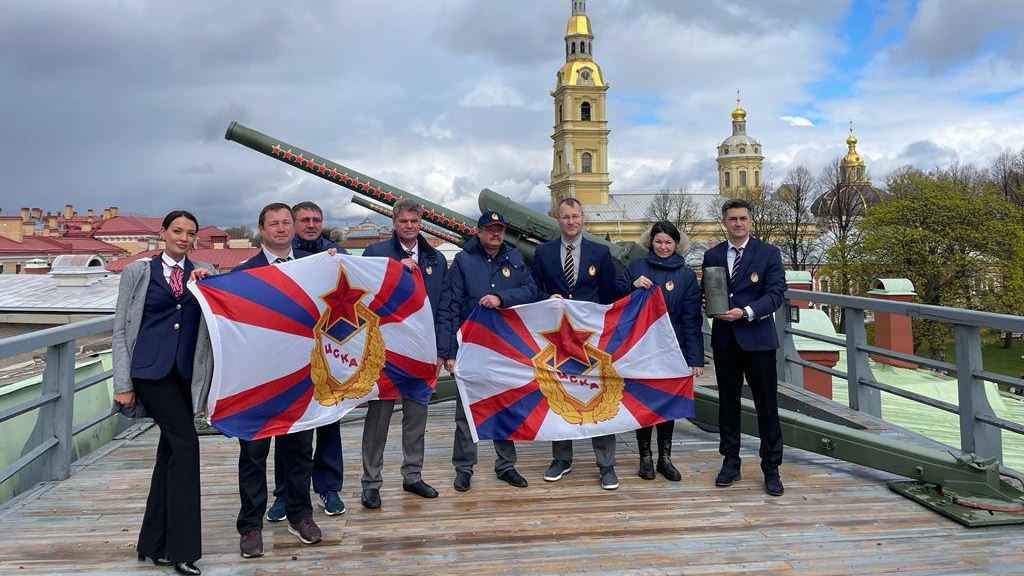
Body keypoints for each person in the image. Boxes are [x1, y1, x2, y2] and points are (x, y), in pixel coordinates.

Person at [112, 210, 212, 576]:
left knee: (170, 451)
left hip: (184, 374)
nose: (184, 238)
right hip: (149, 374)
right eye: (178, 231)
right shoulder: (138, 272)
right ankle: (183, 550)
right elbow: (121, 330)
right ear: (164, 233)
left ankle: (153, 542)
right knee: (187, 446)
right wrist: (122, 384)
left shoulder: (202, 272)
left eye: (190, 233)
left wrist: (208, 284)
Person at [233, 203, 322, 558]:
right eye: (274, 223)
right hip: (259, 379)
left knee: (300, 450)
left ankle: (300, 514)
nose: (282, 228)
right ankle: (251, 525)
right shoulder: (244, 273)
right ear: (261, 229)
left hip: (301, 376)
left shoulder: (313, 268)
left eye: (287, 222)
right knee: (253, 453)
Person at [437, 211, 537, 491]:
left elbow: (531, 291)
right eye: (490, 229)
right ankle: (464, 467)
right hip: (472, 347)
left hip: (505, 348)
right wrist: (450, 352)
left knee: (506, 405)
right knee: (467, 409)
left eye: (500, 229)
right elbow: (451, 305)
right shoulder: (463, 261)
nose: (495, 234)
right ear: (479, 232)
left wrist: (502, 298)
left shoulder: (515, 259)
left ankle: (506, 465)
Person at [359, 198, 447, 509]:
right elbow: (365, 295)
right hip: (385, 352)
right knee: (378, 420)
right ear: (394, 224)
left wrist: (441, 351)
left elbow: (444, 309)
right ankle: (371, 482)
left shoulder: (436, 258)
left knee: (416, 419)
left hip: (422, 352)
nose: (409, 226)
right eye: (403, 221)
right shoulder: (375, 254)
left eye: (414, 221)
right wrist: (395, 271)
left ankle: (413, 475)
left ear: (420, 222)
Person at [266, 201, 348, 521]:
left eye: (316, 219)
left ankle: (329, 487)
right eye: (304, 220)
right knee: (289, 426)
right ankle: (285, 493)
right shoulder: (284, 254)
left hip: (326, 349)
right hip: (289, 351)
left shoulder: (334, 253)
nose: (311, 225)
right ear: (292, 222)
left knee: (329, 421)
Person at [530, 197, 620, 490]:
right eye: (565, 217)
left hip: (592, 339)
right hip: (558, 337)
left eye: (575, 216)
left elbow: (608, 297)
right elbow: (534, 290)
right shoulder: (543, 253)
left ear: (583, 218)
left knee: (599, 392)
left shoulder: (600, 253)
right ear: (558, 219)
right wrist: (546, 299)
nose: (571, 221)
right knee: (561, 392)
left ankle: (606, 464)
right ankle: (561, 459)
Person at [701, 198, 786, 496]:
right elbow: (710, 291)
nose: (738, 223)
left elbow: (776, 293)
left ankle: (771, 468)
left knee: (767, 406)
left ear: (750, 221)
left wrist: (747, 312)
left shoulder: (768, 253)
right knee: (727, 404)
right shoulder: (712, 255)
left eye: (743, 218)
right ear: (724, 222)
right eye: (733, 218)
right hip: (725, 339)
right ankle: (730, 462)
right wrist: (709, 305)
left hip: (758, 339)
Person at [618, 221, 704, 482]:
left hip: (672, 348)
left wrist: (695, 357)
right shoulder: (635, 267)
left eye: (668, 242)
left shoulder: (686, 276)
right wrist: (631, 286)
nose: (663, 247)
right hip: (641, 347)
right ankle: (645, 456)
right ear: (650, 243)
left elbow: (691, 319)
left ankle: (664, 458)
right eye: (658, 242)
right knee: (643, 401)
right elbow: (615, 297)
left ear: (676, 244)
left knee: (668, 403)